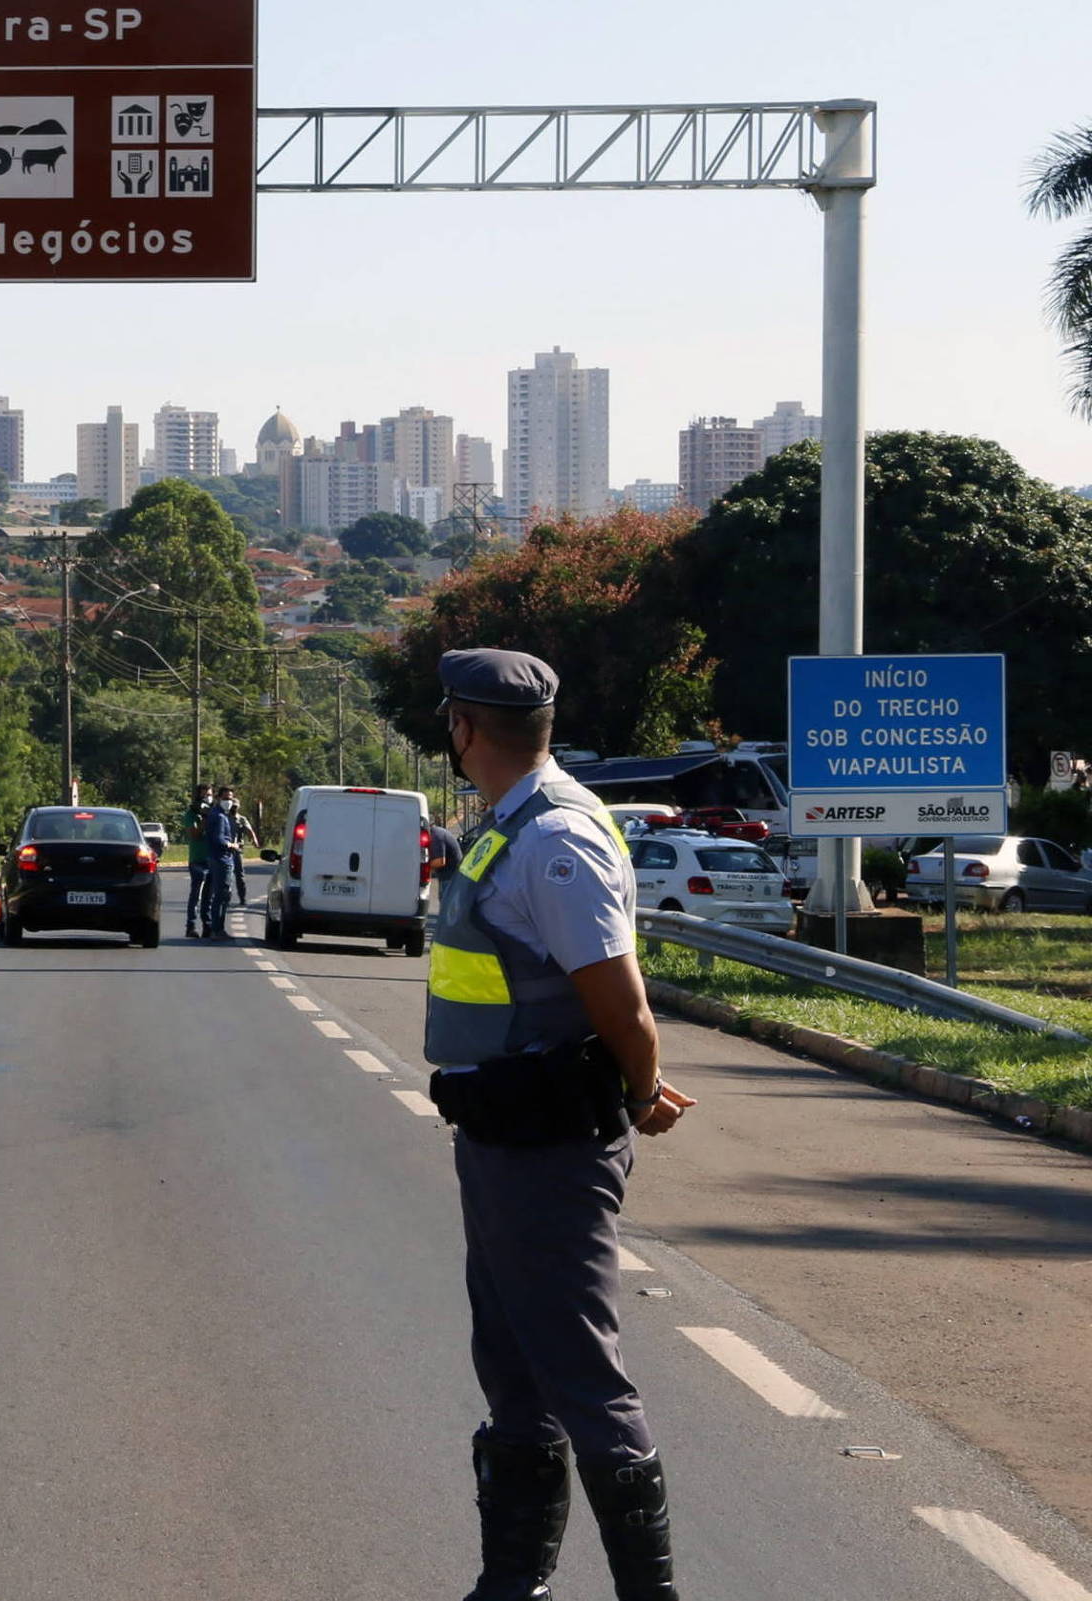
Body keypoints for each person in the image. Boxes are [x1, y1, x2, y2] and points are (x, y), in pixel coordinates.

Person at [424, 650, 696, 1601]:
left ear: (463, 728)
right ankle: (509, 1584)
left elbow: (622, 1005)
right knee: (514, 1363)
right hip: (504, 1133)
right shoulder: (513, 826)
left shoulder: (555, 840)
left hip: (549, 1141)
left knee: (582, 1372)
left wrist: (638, 1087)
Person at [177, 784, 215, 938]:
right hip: (198, 859)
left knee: (209, 896)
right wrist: (203, 819)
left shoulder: (216, 813)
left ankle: (208, 925)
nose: (207, 798)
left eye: (210, 795)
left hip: (212, 859)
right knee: (196, 894)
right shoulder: (191, 814)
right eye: (204, 795)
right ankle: (191, 926)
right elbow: (195, 834)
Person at [199, 791, 239, 936]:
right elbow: (219, 839)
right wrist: (231, 846)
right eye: (225, 798)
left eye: (230, 798)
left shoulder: (217, 814)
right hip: (222, 858)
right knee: (221, 895)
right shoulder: (220, 816)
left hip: (217, 858)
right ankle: (217, 928)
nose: (229, 801)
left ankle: (215, 928)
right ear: (218, 799)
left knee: (219, 894)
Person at [219, 785, 259, 903]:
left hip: (237, 850)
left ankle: (242, 898)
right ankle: (226, 898)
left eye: (236, 807)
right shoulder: (224, 817)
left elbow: (249, 830)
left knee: (240, 876)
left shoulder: (241, 819)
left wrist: (254, 840)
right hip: (226, 849)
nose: (234, 809)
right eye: (233, 806)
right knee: (227, 876)